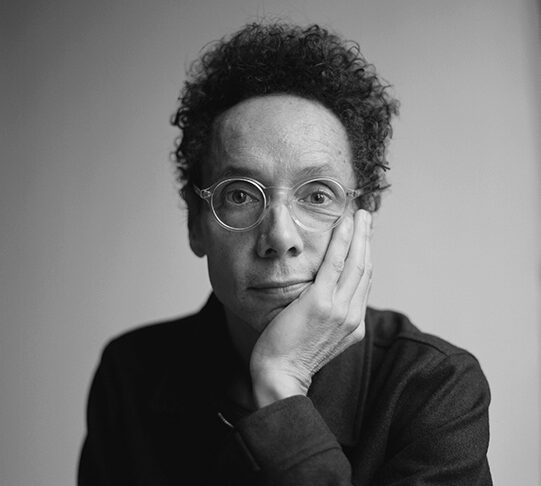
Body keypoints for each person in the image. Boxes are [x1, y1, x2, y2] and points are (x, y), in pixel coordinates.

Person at [77, 22, 492, 485]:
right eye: (240, 195)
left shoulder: (435, 386)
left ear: (362, 217)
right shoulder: (132, 375)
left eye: (317, 195)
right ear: (196, 222)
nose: (280, 237)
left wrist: (281, 384)